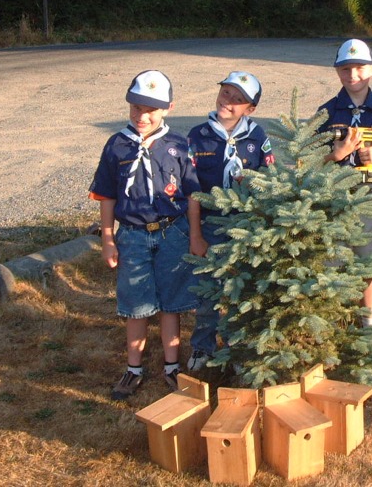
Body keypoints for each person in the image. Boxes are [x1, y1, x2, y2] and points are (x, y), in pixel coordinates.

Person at [89, 70, 206, 400]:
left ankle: (172, 366)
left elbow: (193, 195)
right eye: (137, 107)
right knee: (136, 305)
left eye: (151, 109)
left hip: (173, 234)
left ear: (168, 107)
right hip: (133, 236)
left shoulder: (179, 146)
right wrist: (109, 239)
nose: (143, 115)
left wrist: (195, 236)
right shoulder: (116, 146)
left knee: (171, 303)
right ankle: (133, 368)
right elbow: (107, 195)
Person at [317, 39, 372, 352]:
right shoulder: (327, 112)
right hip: (335, 196)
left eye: (359, 67)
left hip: (369, 194)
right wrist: (336, 154)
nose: (352, 73)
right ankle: (327, 322)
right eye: (345, 68)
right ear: (338, 71)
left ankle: (369, 324)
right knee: (331, 258)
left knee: (368, 260)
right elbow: (307, 159)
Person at [186, 71, 275, 371]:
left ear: (250, 109)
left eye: (239, 100)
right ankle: (203, 347)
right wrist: (196, 235)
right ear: (219, 92)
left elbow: (269, 181)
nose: (230, 102)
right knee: (207, 291)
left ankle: (237, 349)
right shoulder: (198, 136)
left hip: (245, 227)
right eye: (227, 93)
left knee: (240, 290)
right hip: (210, 225)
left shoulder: (257, 137)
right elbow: (192, 191)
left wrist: (251, 184)